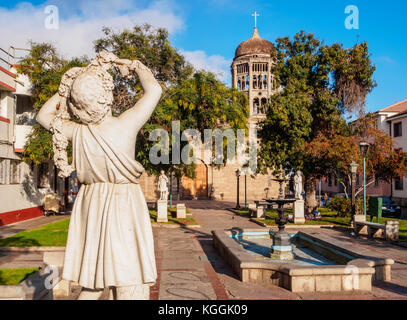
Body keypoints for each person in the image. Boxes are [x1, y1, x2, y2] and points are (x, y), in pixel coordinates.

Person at [36, 52, 162, 300]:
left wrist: (68, 87)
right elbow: (154, 90)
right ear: (107, 97)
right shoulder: (126, 124)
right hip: (123, 201)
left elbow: (43, 116)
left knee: (93, 280)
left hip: (91, 202)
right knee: (129, 277)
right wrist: (131, 63)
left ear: (76, 105)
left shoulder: (77, 132)